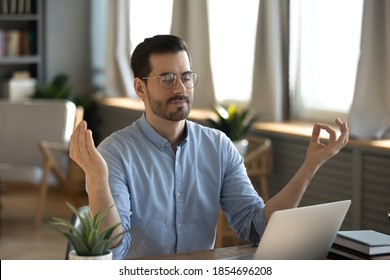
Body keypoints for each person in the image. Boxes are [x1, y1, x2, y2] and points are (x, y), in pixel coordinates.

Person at [69, 34, 349, 260]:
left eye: (186, 76)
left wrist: (310, 165)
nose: (180, 88)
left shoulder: (218, 146)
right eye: (166, 78)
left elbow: (257, 227)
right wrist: (97, 180)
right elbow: (113, 252)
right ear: (140, 89)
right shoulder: (115, 153)